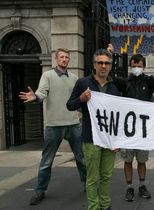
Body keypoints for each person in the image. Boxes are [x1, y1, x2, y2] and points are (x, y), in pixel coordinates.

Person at [19, 48, 86, 206]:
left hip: (73, 125)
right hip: (53, 126)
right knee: (47, 161)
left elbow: (79, 99)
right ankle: (40, 190)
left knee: (81, 158)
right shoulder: (47, 75)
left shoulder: (75, 78)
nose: (64, 59)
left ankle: (87, 184)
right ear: (56, 59)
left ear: (69, 60)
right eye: (61, 57)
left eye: (67, 57)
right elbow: (41, 93)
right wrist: (35, 97)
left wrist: (80, 111)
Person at [110, 43, 154, 201]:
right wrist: (110, 55)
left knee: (142, 160)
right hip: (127, 130)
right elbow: (109, 76)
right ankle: (129, 187)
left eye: (139, 65)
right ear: (130, 66)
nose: (137, 68)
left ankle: (142, 185)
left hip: (143, 130)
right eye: (134, 65)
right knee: (127, 161)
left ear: (143, 66)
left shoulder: (148, 82)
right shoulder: (124, 82)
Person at [66, 49, 120, 210]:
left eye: (107, 63)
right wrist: (81, 99)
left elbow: (119, 114)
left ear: (111, 66)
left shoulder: (114, 86)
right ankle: (94, 207)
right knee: (92, 177)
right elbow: (70, 105)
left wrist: (117, 139)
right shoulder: (83, 83)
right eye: (100, 63)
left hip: (109, 139)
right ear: (94, 65)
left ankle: (105, 204)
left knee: (106, 175)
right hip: (91, 138)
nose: (104, 66)